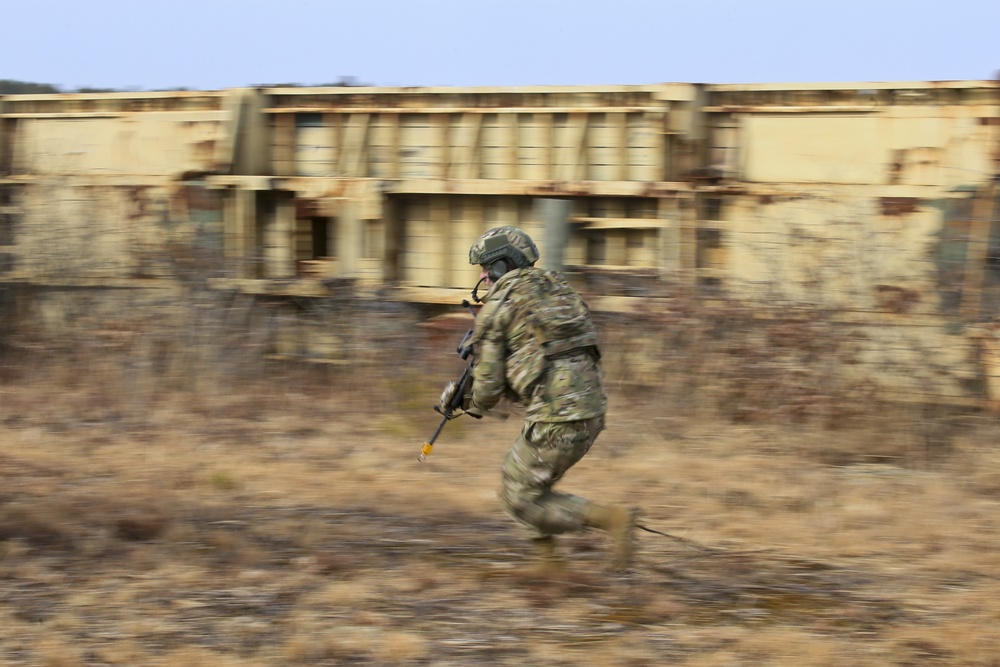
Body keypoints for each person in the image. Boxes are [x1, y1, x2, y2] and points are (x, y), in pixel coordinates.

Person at [439, 225, 638, 572]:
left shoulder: (500, 306)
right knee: (524, 484)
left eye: (486, 267)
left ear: (502, 265)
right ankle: (548, 564)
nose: (483, 276)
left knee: (517, 496)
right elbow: (546, 358)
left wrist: (457, 403)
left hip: (557, 417)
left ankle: (611, 520)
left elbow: (486, 395)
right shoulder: (559, 290)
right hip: (591, 411)